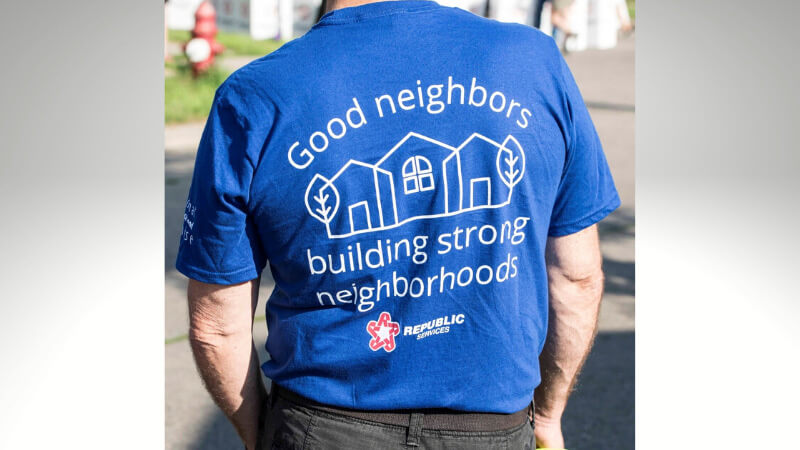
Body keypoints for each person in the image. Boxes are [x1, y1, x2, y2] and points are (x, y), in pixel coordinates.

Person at [176, 1, 619, 449]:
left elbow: (218, 323)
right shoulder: (533, 63)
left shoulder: (255, 97)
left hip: (322, 428)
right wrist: (545, 416)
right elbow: (575, 277)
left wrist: (262, 435)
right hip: (490, 430)